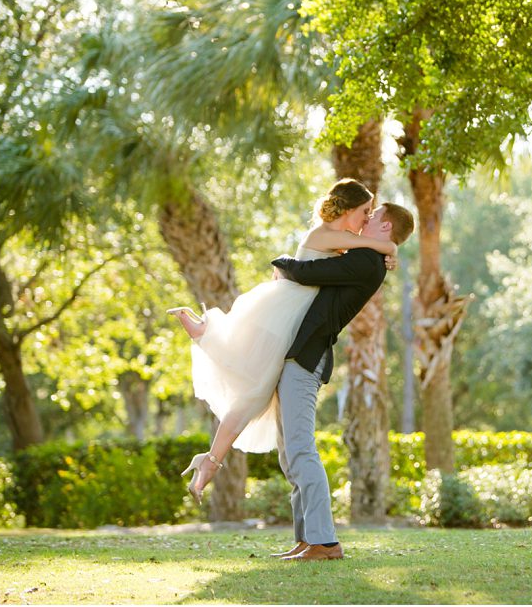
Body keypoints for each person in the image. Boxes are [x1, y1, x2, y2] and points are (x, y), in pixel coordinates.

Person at [170, 179, 398, 503]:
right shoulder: (329, 234)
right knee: (252, 382)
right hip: (286, 315)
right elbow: (375, 249)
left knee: (254, 391)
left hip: (287, 313)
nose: (366, 218)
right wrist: (390, 248)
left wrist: (384, 250)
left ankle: (210, 460)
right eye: (364, 211)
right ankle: (208, 335)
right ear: (347, 209)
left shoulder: (336, 238)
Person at [268, 201, 414, 562]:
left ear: (385, 228)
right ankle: (306, 538)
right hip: (299, 353)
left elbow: (308, 272)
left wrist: (280, 263)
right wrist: (388, 248)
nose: (365, 220)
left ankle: (326, 542)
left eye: (373, 216)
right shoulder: (368, 255)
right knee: (290, 454)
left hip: (308, 356)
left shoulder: (366, 261)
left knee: (301, 448)